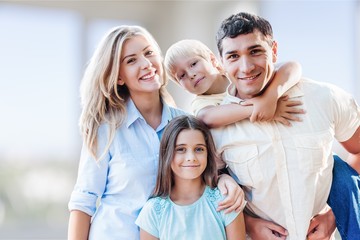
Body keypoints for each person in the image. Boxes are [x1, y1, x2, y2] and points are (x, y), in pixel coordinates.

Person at [67, 25, 243, 240]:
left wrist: (226, 180)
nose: (146, 64)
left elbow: (207, 177)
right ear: (119, 77)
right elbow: (83, 201)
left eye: (149, 53)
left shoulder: (185, 124)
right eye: (131, 60)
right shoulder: (106, 129)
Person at [213, 12, 360, 240]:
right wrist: (247, 224)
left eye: (255, 51)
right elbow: (205, 190)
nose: (246, 66)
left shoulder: (324, 98)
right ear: (221, 62)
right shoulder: (214, 128)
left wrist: (333, 214)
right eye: (233, 56)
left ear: (273, 51)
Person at [135, 115, 247, 240]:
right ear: (167, 154)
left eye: (199, 149)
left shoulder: (226, 201)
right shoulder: (153, 211)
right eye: (181, 149)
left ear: (207, 154)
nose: (191, 157)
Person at [164, 39, 305, 128]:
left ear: (213, 60)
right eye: (182, 76)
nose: (191, 74)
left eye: (194, 64)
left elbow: (292, 66)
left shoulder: (237, 73)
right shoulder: (201, 102)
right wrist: (259, 108)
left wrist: (270, 98)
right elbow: (206, 117)